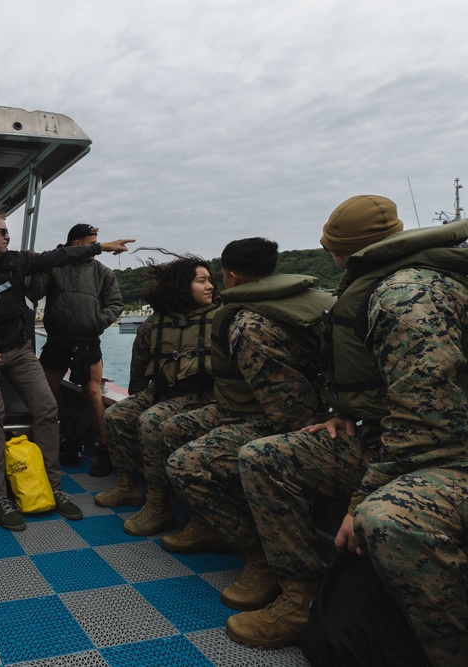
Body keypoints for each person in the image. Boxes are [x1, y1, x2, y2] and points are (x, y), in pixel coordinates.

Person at [225, 196, 468, 663]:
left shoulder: (407, 294)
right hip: (384, 437)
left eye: (331, 247)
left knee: (385, 520)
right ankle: (301, 596)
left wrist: (361, 499)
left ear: (346, 250)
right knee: (264, 457)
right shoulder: (380, 285)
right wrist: (343, 412)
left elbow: (429, 418)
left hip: (444, 452)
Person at [0, 208, 135, 531]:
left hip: (18, 350)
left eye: (8, 232)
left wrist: (100, 248)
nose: (8, 236)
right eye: (2, 231)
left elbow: (58, 256)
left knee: (47, 408)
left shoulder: (17, 261)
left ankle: (53, 486)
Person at [157, 238, 334, 557]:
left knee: (183, 464)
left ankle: (257, 554)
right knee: (173, 429)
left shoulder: (249, 322)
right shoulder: (296, 302)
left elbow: (288, 410)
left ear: (231, 275)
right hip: (239, 408)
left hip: (266, 420)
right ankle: (207, 521)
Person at [93, 254, 218, 510]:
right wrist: (138, 397)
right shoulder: (155, 323)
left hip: (204, 395)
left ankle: (157, 503)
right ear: (183, 286)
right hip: (165, 390)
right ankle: (128, 485)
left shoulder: (222, 319)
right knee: (116, 414)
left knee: (150, 420)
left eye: (210, 280)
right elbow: (139, 368)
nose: (210, 286)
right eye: (201, 281)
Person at [27, 223, 124, 476]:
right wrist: (38, 266)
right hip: (58, 340)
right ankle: (40, 450)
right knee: (46, 397)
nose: (95, 247)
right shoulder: (55, 264)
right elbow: (35, 292)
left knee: (93, 395)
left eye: (97, 242)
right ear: (77, 244)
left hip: (89, 340)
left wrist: (96, 323)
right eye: (91, 242)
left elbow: (115, 304)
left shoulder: (103, 273)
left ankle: (106, 451)